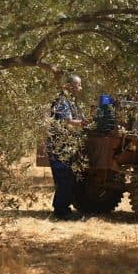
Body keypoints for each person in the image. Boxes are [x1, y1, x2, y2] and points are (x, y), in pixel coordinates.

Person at [47, 73, 86, 220]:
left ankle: (63, 208)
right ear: (70, 85)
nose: (80, 88)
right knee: (64, 177)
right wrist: (83, 123)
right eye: (78, 85)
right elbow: (68, 121)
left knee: (68, 176)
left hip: (63, 144)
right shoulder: (62, 100)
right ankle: (61, 210)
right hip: (58, 145)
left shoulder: (68, 101)